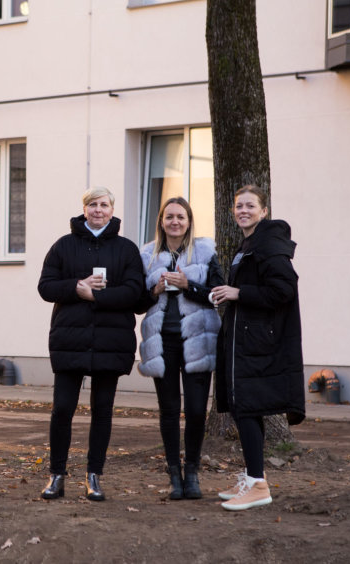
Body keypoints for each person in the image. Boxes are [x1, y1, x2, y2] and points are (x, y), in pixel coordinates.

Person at [37, 186, 144, 501]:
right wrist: (76, 287)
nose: (98, 210)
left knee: (103, 410)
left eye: (104, 205)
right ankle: (56, 474)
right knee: (63, 409)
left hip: (111, 341)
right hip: (71, 340)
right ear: (84, 209)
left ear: (112, 210)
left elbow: (135, 293)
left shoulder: (126, 249)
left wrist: (95, 296)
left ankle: (94, 475)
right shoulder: (64, 246)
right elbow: (45, 287)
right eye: (92, 205)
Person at [209, 184, 305, 511]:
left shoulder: (270, 243)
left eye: (250, 206)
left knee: (247, 408)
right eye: (239, 206)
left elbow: (284, 290)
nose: (243, 211)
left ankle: (258, 485)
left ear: (264, 211)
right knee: (244, 408)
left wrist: (239, 293)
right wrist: (227, 292)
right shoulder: (251, 243)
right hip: (244, 342)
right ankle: (253, 478)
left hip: (257, 344)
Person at [136, 197, 223, 500]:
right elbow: (136, 302)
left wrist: (189, 286)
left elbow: (217, 295)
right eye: (169, 216)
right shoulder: (146, 254)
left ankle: (193, 472)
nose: (175, 222)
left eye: (181, 217)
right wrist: (155, 291)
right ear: (161, 221)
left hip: (198, 341)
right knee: (169, 410)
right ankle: (174, 473)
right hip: (162, 342)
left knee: (197, 410)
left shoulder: (205, 251)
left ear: (189, 221)